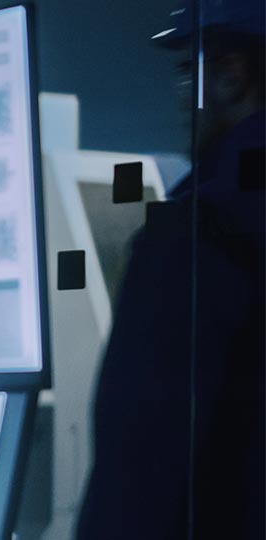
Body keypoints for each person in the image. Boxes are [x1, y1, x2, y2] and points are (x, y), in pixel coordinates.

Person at [78, 0, 263, 537]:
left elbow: (134, 481)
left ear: (231, 75)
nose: (183, 101)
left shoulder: (196, 236)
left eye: (190, 73)